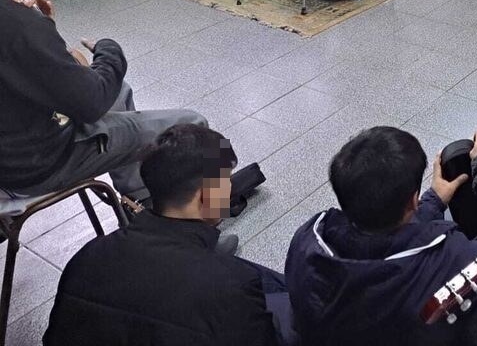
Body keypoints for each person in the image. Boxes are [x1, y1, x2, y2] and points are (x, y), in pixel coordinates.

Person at [0, 0, 206, 204]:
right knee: (192, 124)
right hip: (35, 164)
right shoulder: (19, 24)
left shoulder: (19, 18)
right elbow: (91, 103)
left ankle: (141, 201)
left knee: (118, 93)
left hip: (14, 138)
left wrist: (44, 32)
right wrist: (108, 51)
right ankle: (194, 225)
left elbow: (24, 67)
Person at [45, 124, 294, 346]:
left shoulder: (87, 256)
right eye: (226, 182)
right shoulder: (231, 285)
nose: (230, 189)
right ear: (206, 196)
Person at [286, 127, 477, 346]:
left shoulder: (306, 239)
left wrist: (433, 201)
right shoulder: (443, 264)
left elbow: (381, 240)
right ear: (413, 201)